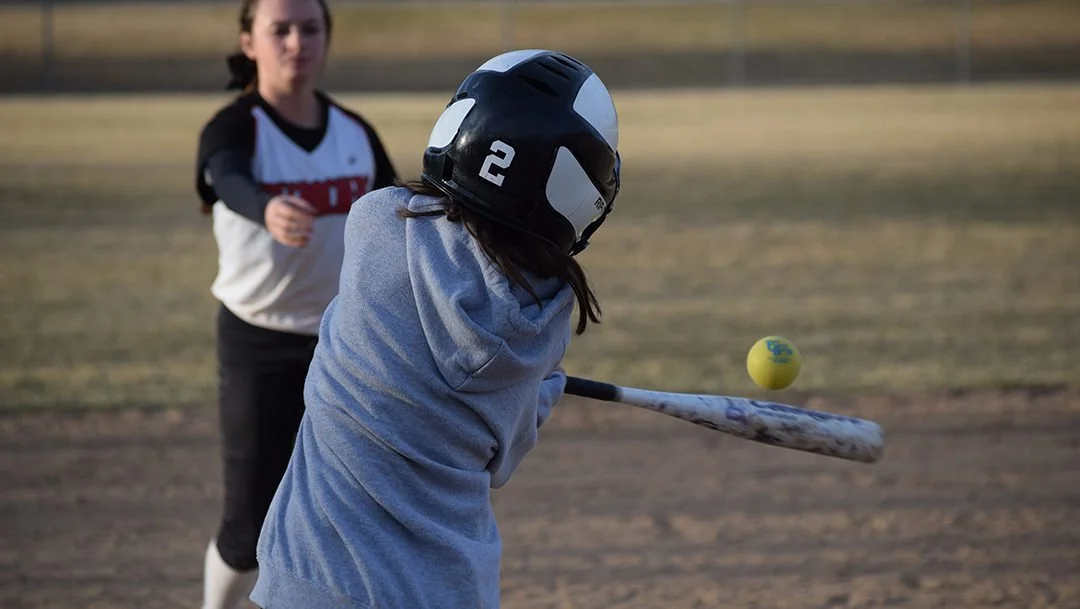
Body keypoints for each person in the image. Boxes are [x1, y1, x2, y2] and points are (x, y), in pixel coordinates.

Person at [249, 49, 621, 609]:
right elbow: (503, 459)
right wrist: (540, 391)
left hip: (313, 582)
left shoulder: (376, 226)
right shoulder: (540, 323)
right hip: (444, 591)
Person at [192, 0, 397, 606]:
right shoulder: (235, 127)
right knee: (249, 528)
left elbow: (399, 215)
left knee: (353, 510)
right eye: (278, 29)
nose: (296, 42)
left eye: (310, 29)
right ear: (248, 42)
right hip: (259, 340)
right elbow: (226, 176)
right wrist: (265, 207)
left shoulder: (354, 132)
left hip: (346, 342)